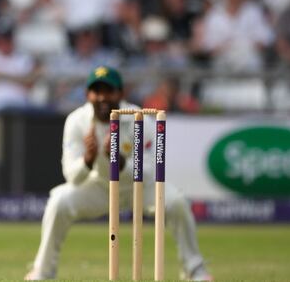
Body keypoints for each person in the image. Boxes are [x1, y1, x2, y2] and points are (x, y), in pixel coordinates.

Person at [25, 66, 211, 281]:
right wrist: (88, 158)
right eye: (97, 91)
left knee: (176, 202)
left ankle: (195, 270)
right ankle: (43, 272)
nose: (103, 97)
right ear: (87, 95)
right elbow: (72, 177)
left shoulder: (139, 118)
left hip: (138, 187)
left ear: (121, 93)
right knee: (59, 201)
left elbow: (151, 171)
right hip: (100, 186)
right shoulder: (77, 121)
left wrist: (121, 162)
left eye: (109, 90)